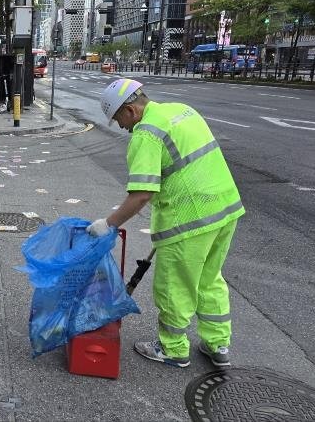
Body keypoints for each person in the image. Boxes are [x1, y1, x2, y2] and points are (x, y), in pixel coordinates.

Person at [87, 78, 244, 369]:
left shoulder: (146, 133)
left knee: (174, 286)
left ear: (131, 111)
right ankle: (218, 344)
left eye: (119, 119)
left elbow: (142, 193)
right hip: (225, 209)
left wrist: (108, 224)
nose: (122, 127)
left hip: (188, 219)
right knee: (209, 280)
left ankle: (172, 349)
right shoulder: (181, 110)